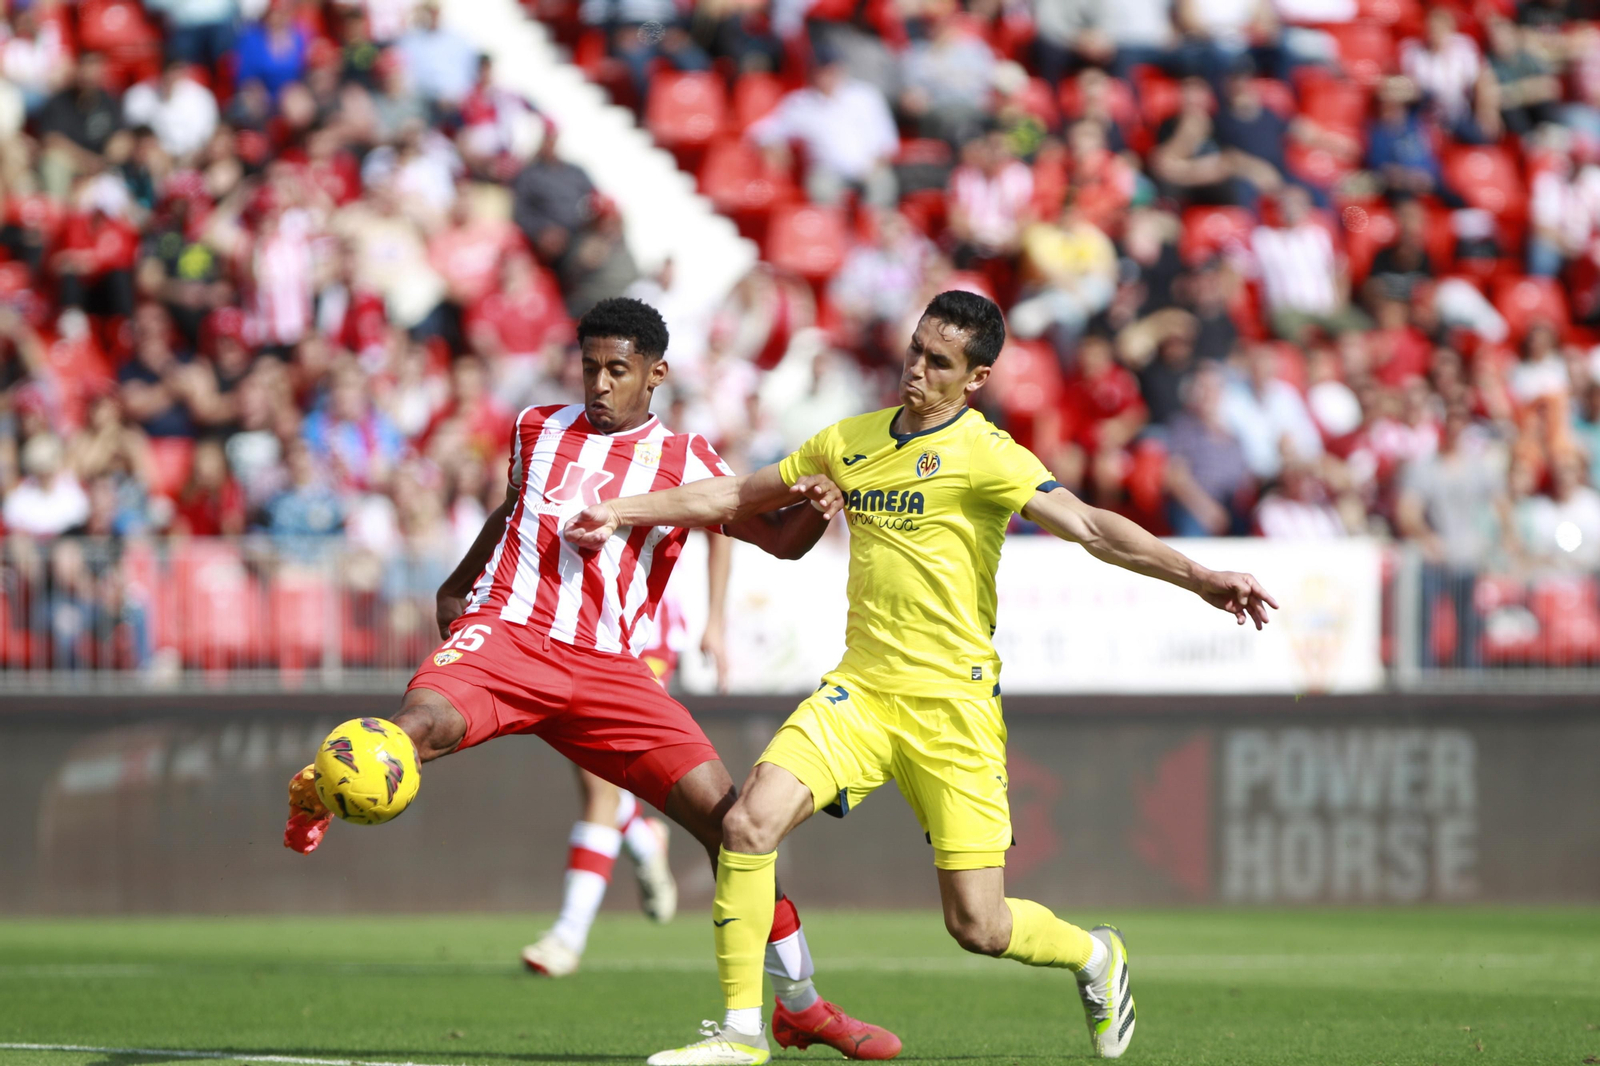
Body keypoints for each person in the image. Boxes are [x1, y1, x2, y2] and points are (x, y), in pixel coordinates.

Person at [567, 291, 1278, 1064]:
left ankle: (1095, 955)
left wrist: (1200, 575)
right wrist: (626, 509)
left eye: (939, 362)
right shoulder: (852, 439)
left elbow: (1094, 529)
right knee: (745, 825)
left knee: (980, 926)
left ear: (974, 379)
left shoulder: (988, 454)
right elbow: (739, 494)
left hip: (953, 708)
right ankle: (741, 1036)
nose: (917, 369)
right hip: (860, 693)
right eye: (915, 350)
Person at [282, 298, 901, 1061]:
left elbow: (780, 543)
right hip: (507, 634)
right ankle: (320, 783)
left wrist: (817, 506)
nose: (600, 385)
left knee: (735, 826)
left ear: (655, 373)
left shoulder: (686, 460)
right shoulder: (535, 427)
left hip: (609, 667)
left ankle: (801, 1006)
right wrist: (457, 584)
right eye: (590, 368)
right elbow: (512, 510)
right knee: (421, 725)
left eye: (617, 370)